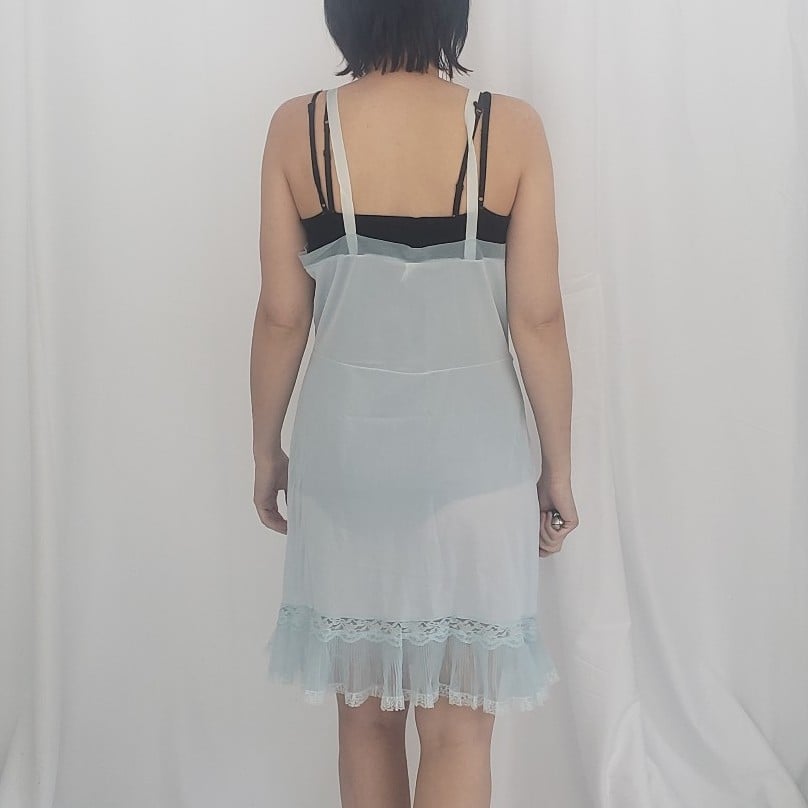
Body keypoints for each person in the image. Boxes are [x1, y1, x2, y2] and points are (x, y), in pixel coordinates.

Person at [250, 1, 579, 805]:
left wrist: (265, 451)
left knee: (364, 721)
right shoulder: (512, 128)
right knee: (459, 731)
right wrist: (558, 469)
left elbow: (283, 316)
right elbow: (537, 318)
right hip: (476, 463)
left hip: (345, 461)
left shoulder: (299, 129)